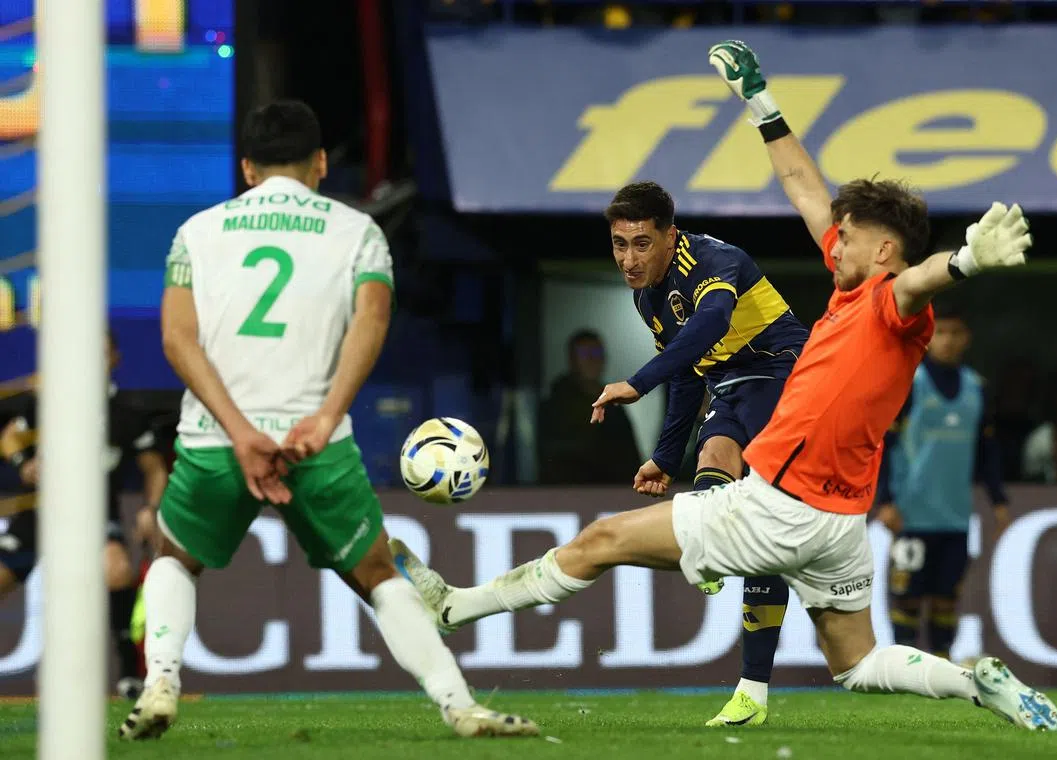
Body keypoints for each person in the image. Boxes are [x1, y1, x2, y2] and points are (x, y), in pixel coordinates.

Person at [389, 41, 1057, 732]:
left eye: (849, 237)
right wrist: (759, 101)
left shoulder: (890, 301)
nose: (836, 244)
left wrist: (970, 259)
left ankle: (456, 607)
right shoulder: (852, 282)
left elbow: (922, 281)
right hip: (838, 526)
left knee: (600, 541)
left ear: (883, 251)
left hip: (780, 509)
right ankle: (974, 682)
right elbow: (802, 183)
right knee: (856, 662)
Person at [119, 100, 537, 740]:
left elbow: (178, 340)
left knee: (175, 556)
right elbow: (371, 322)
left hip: (215, 440)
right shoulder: (358, 231)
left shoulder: (196, 232)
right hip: (316, 441)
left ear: (247, 168)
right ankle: (460, 705)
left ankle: (160, 686)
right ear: (320, 163)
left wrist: (239, 432)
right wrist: (324, 417)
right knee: (376, 574)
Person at [592, 180, 809, 726]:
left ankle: (715, 549)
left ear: (670, 235)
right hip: (733, 385)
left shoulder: (716, 260)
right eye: (620, 244)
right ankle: (750, 692)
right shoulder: (646, 297)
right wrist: (665, 457)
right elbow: (689, 372)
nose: (629, 259)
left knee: (760, 525)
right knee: (710, 461)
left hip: (786, 373)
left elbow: (710, 324)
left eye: (642, 243)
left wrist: (637, 383)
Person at [0, 332, 167, 700]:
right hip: (39, 512)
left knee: (118, 569)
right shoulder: (50, 401)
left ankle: (129, 673)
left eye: (101, 352)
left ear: (114, 359)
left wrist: (150, 509)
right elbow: (10, 435)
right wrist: (23, 463)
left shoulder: (126, 414)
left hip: (94, 516)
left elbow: (154, 468)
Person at [874, 306, 1010, 662]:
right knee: (908, 593)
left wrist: (998, 500)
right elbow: (884, 444)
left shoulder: (976, 388)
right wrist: (884, 499)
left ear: (967, 339)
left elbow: (987, 450)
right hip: (911, 512)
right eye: (942, 332)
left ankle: (942, 662)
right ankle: (902, 665)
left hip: (955, 514)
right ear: (929, 336)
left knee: (947, 594)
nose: (948, 340)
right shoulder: (908, 383)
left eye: (956, 333)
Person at [539, 330, 642, 485]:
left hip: (616, 494)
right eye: (584, 353)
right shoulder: (557, 406)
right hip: (568, 494)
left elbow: (630, 457)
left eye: (596, 352)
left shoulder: (614, 403)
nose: (592, 358)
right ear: (572, 359)